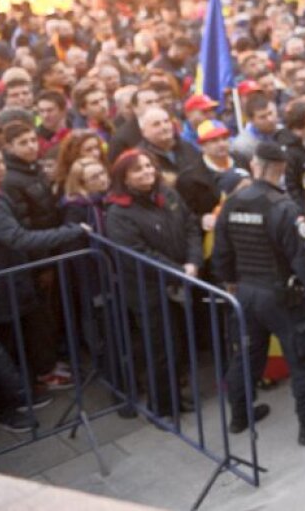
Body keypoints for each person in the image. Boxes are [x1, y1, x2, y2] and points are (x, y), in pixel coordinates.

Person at [212, 141, 305, 445]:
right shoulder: (283, 206)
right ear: (280, 169)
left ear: (255, 165)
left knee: (247, 355)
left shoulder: (233, 201)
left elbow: (221, 253)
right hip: (281, 296)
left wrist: (231, 282)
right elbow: (302, 259)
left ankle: (240, 418)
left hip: (244, 292)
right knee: (304, 358)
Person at [0, 140, 85, 394]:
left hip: (5, 281)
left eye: (1, 161)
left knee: (17, 338)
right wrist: (71, 232)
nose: (2, 168)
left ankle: (29, 386)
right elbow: (18, 238)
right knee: (4, 347)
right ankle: (10, 407)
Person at [104, 148, 203, 417]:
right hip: (149, 292)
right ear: (124, 178)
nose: (147, 172)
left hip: (179, 280)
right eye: (138, 169)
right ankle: (162, 407)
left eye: (149, 166)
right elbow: (138, 255)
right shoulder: (118, 214)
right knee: (161, 350)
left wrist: (193, 261)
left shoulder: (167, 194)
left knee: (179, 345)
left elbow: (191, 225)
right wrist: (179, 272)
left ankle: (175, 397)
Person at [1, 120, 61, 230]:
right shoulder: (9, 180)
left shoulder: (36, 168)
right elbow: (23, 221)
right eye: (23, 143)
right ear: (9, 147)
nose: (31, 146)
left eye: (33, 140)